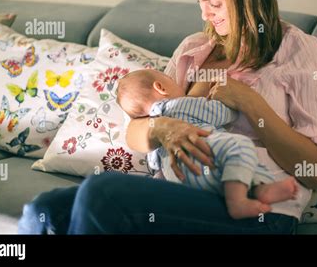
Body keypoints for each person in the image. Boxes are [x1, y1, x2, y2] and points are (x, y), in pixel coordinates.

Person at [18, 0, 317, 234]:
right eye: (199, 3)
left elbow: (316, 171)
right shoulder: (193, 50)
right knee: (42, 210)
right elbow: (136, 128)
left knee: (104, 194)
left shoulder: (296, 48)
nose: (205, 15)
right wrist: (163, 127)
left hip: (258, 211)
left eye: (214, 3)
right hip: (179, 194)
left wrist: (251, 104)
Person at [116, 69, 299, 219]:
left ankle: (257, 191)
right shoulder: (179, 105)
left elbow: (154, 165)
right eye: (171, 79)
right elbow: (219, 114)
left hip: (180, 179)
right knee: (240, 148)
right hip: (206, 153)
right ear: (161, 87)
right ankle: (243, 199)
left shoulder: (155, 135)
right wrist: (232, 104)